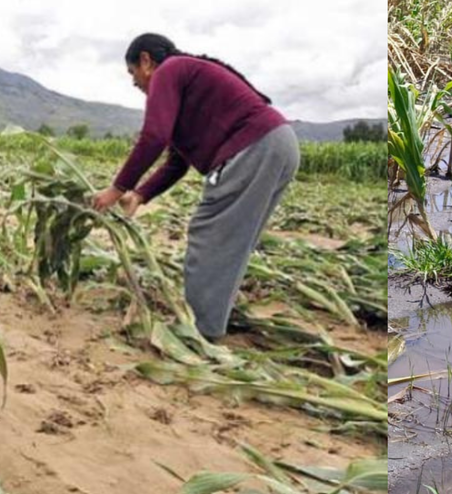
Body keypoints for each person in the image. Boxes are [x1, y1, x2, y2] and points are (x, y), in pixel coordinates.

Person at [92, 33, 300, 342]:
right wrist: (140, 195)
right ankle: (214, 318)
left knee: (208, 233)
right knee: (233, 241)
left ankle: (199, 330)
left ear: (146, 61)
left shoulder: (169, 70)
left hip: (254, 146)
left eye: (132, 72)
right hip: (279, 142)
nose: (134, 82)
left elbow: (154, 137)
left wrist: (117, 189)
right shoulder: (187, 80)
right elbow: (177, 163)